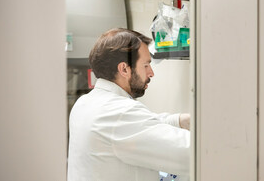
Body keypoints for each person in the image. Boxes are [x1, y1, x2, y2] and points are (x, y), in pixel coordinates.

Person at [67, 28, 190, 181]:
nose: (151, 73)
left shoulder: (85, 103)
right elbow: (189, 152)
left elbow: (138, 127)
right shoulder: (118, 113)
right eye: (146, 65)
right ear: (124, 69)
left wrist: (178, 120)